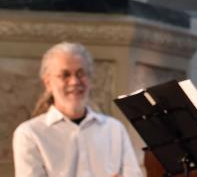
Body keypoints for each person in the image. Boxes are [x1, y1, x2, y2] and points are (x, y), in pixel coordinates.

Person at [12, 42, 141, 177]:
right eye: (65, 74)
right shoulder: (29, 134)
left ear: (90, 79)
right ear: (48, 83)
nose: (74, 81)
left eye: (81, 74)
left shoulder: (114, 129)